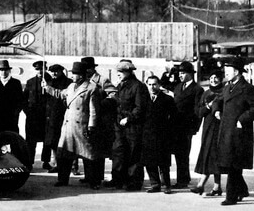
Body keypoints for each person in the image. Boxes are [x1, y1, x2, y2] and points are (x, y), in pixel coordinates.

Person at [214, 58, 254, 205]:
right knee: (230, 164)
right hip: (227, 132)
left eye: (228, 72)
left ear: (236, 72)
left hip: (239, 134)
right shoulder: (227, 87)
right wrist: (216, 109)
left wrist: (242, 119)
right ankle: (242, 190)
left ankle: (231, 197)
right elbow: (218, 99)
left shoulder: (247, 89)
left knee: (233, 166)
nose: (226, 74)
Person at [47, 62, 102, 189]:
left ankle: (93, 181)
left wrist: (91, 126)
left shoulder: (91, 88)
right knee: (64, 155)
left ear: (82, 75)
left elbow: (93, 110)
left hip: (82, 126)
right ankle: (62, 179)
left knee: (88, 155)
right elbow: (60, 94)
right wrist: (48, 88)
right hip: (68, 127)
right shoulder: (71, 86)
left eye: (75, 74)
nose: (73, 76)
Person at [104, 61, 149, 191]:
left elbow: (140, 107)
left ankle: (133, 182)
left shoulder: (138, 87)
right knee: (118, 152)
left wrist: (129, 118)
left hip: (132, 126)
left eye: (121, 71)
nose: (118, 74)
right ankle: (117, 179)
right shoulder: (121, 85)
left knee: (133, 154)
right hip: (119, 124)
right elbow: (117, 101)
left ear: (129, 72)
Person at [192, 71, 225, 196]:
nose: (213, 80)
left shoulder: (224, 92)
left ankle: (201, 185)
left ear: (221, 79)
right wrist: (208, 106)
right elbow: (199, 112)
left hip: (219, 126)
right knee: (210, 154)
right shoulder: (206, 93)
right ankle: (217, 187)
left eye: (216, 77)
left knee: (213, 155)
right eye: (211, 77)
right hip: (208, 127)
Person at [141, 76, 176, 194]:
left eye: (154, 84)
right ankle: (155, 184)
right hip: (147, 135)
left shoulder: (167, 99)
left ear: (159, 84)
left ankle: (166, 185)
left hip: (163, 135)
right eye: (150, 84)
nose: (152, 87)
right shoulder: (144, 99)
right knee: (149, 162)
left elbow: (174, 117)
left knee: (163, 163)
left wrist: (169, 132)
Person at [171, 61, 204, 189]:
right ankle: (184, 177)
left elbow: (197, 111)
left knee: (183, 154)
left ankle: (182, 180)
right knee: (178, 154)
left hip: (186, 127)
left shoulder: (197, 90)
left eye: (183, 73)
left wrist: (194, 128)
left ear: (190, 74)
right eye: (179, 73)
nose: (180, 75)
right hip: (175, 126)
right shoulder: (178, 86)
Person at [43, 64, 72, 171]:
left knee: (68, 142)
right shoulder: (50, 82)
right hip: (51, 117)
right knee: (53, 143)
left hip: (63, 116)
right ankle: (56, 164)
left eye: (56, 71)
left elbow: (64, 97)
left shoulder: (68, 83)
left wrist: (49, 88)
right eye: (52, 72)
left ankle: (73, 166)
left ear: (61, 71)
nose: (54, 74)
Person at [0, 60, 24, 136]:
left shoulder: (16, 83)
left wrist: (16, 113)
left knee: (12, 138)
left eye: (5, 70)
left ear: (9, 71)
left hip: (11, 119)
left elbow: (20, 100)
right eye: (1, 70)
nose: (3, 72)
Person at [23, 61, 48, 170]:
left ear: (45, 69)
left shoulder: (50, 81)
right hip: (33, 117)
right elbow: (24, 99)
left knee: (47, 141)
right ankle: (29, 162)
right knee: (30, 141)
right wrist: (27, 111)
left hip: (46, 116)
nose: (40, 71)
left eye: (41, 69)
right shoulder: (30, 82)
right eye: (37, 69)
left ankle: (46, 161)